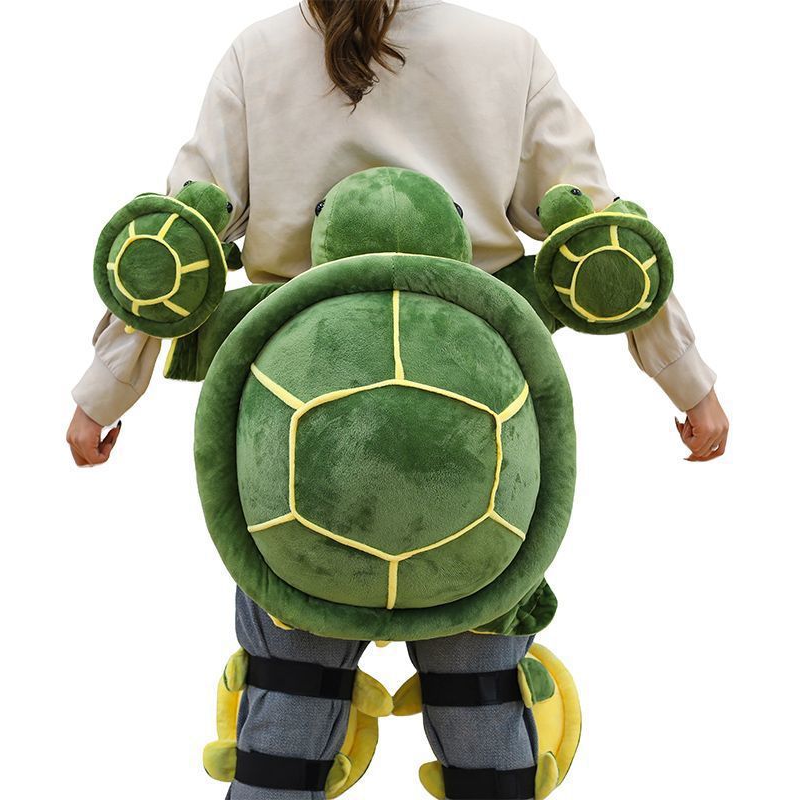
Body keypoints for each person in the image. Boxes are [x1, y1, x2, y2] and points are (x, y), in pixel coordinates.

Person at [66, 2, 730, 798]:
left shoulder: (260, 53)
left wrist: (104, 393)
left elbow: (178, 246)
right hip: (470, 449)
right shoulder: (506, 53)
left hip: (300, 439)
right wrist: (689, 380)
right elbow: (599, 237)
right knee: (482, 702)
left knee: (288, 702)